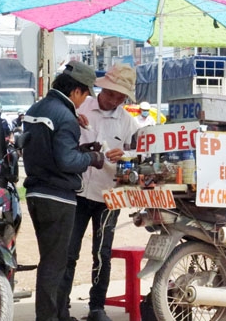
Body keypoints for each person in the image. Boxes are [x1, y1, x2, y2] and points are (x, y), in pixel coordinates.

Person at [22, 60, 105, 321]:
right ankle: (48, 317)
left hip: (36, 193)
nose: (85, 100)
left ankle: (59, 314)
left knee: (50, 258)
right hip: (57, 197)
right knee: (54, 263)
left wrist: (81, 149)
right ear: (76, 91)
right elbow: (67, 162)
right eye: (86, 94)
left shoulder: (37, 108)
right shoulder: (66, 117)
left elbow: (52, 153)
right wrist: (92, 159)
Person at [61, 63, 139, 321]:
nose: (114, 99)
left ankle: (97, 307)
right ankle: (62, 307)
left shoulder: (129, 123)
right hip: (78, 191)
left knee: (102, 253)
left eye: (120, 96)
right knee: (69, 252)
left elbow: (139, 159)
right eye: (111, 93)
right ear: (101, 88)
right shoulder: (80, 107)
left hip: (108, 195)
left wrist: (126, 156)